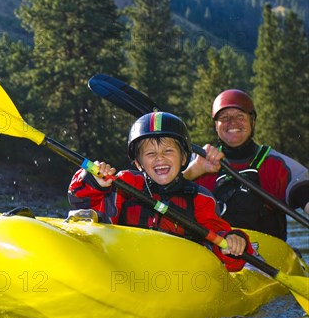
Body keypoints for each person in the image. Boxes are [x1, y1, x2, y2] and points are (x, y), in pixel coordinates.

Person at [68, 112, 252, 272]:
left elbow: (221, 247)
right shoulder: (125, 184)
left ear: (184, 158)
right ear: (138, 163)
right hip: (124, 267)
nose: (160, 158)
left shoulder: (199, 198)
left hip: (174, 276)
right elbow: (80, 200)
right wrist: (94, 181)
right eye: (150, 154)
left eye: (168, 150)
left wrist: (231, 242)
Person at [183, 89, 309, 241]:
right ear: (216, 126)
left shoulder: (275, 164)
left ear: (252, 121)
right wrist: (193, 171)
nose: (232, 122)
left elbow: (304, 194)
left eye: (240, 116)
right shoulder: (200, 164)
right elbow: (163, 193)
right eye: (225, 118)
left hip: (266, 256)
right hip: (214, 254)